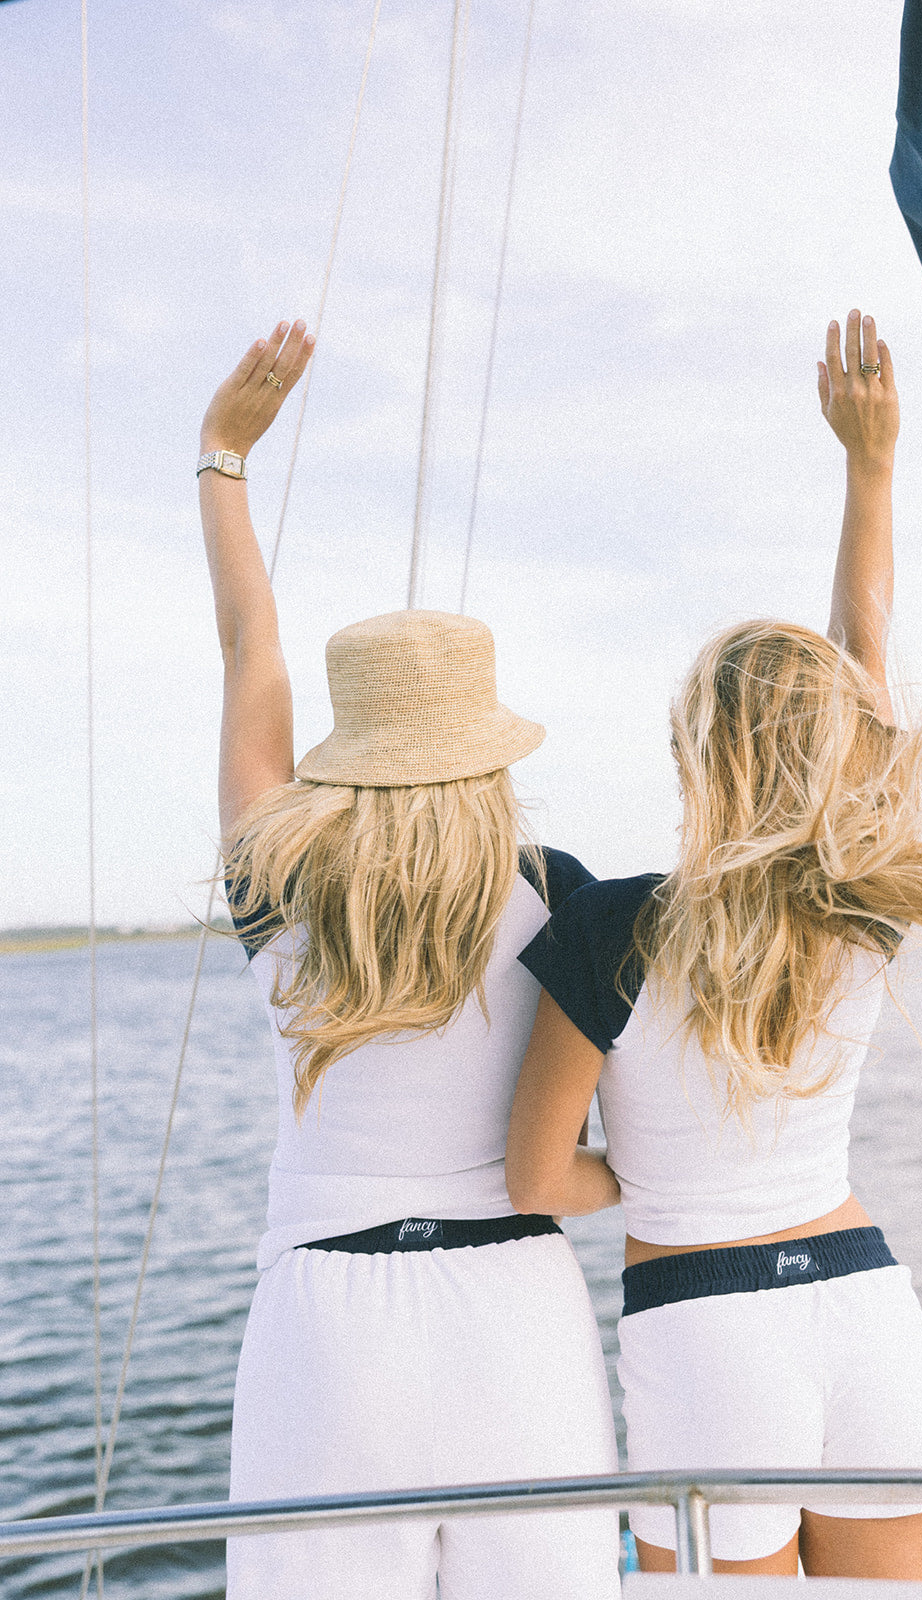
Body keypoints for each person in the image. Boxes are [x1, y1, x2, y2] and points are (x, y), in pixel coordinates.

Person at [506, 310, 922, 1580]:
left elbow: (535, 1180)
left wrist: (644, 1175)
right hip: (861, 1303)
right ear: (834, 757)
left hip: (705, 1332)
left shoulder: (615, 925)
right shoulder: (857, 901)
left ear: (694, 754)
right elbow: (861, 657)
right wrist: (870, 468)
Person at [198, 320, 620, 1600]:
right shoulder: (566, 901)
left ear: (354, 746)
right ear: (489, 747)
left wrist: (223, 458)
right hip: (517, 1318)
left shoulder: (284, 878)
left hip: (327, 1327)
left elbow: (246, 654)